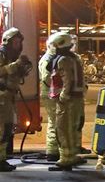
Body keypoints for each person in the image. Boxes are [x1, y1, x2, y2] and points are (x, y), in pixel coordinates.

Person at [46, 32, 87, 171]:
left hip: (67, 101)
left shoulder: (63, 60)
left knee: (62, 129)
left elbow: (67, 80)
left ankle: (66, 158)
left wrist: (63, 97)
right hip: (77, 99)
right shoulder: (74, 58)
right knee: (73, 128)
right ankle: (72, 155)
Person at [0, 27, 32, 172]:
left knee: (7, 128)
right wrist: (15, 66)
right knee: (1, 129)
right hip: (2, 96)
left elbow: (15, 75)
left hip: (10, 97)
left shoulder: (13, 57)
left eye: (19, 42)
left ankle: (2, 158)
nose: (18, 45)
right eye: (15, 42)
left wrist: (24, 68)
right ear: (8, 42)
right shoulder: (1, 54)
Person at [38, 36, 60, 162]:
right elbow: (47, 78)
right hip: (51, 95)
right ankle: (52, 151)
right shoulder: (48, 59)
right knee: (54, 122)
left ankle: (54, 150)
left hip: (51, 94)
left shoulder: (51, 58)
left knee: (56, 122)